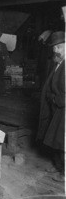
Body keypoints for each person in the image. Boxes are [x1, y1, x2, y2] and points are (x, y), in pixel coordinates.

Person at [36, 31, 65, 182]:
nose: (56, 51)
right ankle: (58, 166)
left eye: (59, 47)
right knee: (54, 140)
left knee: (62, 142)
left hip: (63, 110)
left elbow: (63, 98)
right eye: (54, 48)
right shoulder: (58, 64)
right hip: (55, 110)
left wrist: (53, 99)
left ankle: (64, 173)